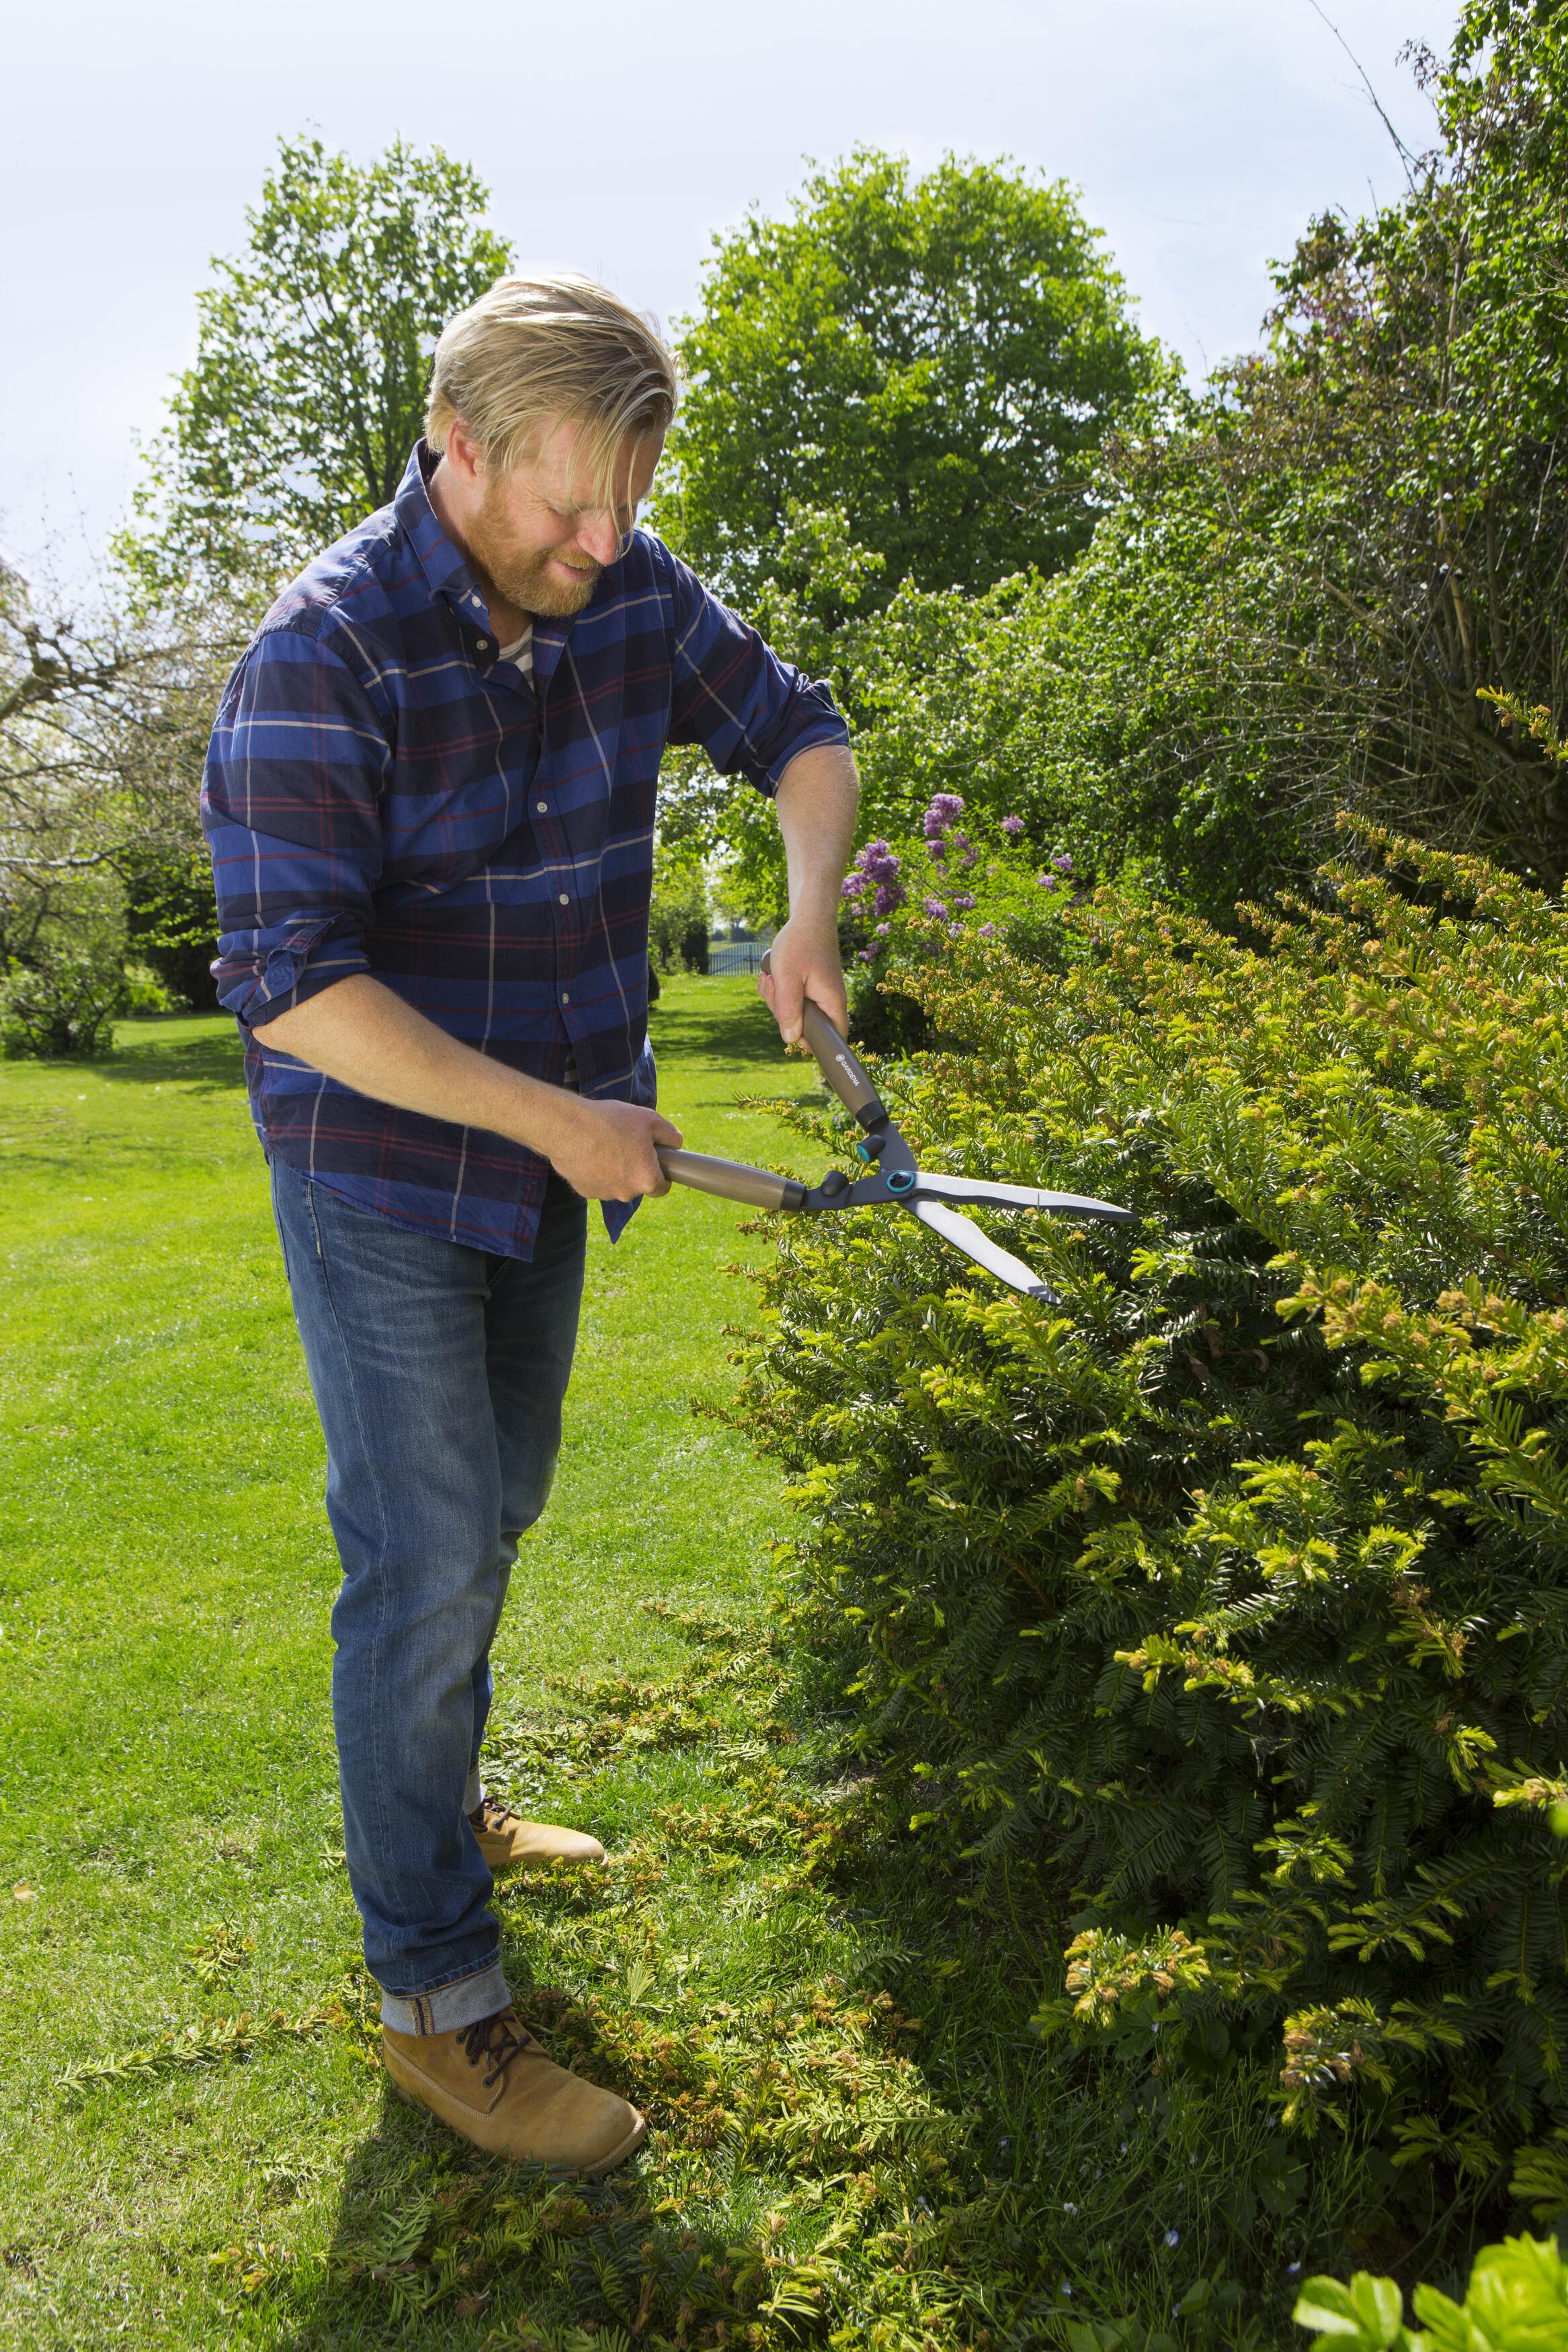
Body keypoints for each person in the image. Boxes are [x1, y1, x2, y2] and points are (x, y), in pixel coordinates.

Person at [201, 275, 857, 2175]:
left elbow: (798, 731)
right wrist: (563, 1118)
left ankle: (439, 1804)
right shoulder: (319, 656)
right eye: (568, 503)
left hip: (556, 1167)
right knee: (418, 1564)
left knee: (487, 1521)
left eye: (628, 504)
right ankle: (435, 1999)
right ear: (455, 445)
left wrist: (808, 904)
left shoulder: (627, 587)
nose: (602, 544)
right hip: (390, 1174)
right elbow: (291, 988)